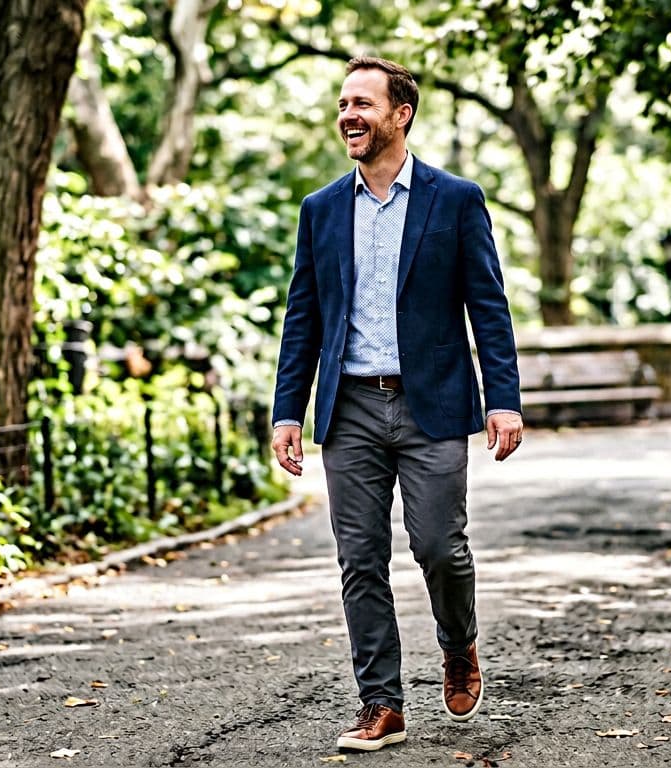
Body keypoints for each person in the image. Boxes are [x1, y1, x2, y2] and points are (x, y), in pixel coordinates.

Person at [270, 56, 524, 752]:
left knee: (441, 547)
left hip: (432, 402)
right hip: (348, 406)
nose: (348, 115)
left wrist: (503, 399)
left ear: (400, 114)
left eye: (363, 103)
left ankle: (458, 643)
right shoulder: (321, 209)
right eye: (343, 103)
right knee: (359, 558)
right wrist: (287, 412)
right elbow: (304, 317)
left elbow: (489, 308)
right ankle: (381, 703)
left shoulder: (455, 200)